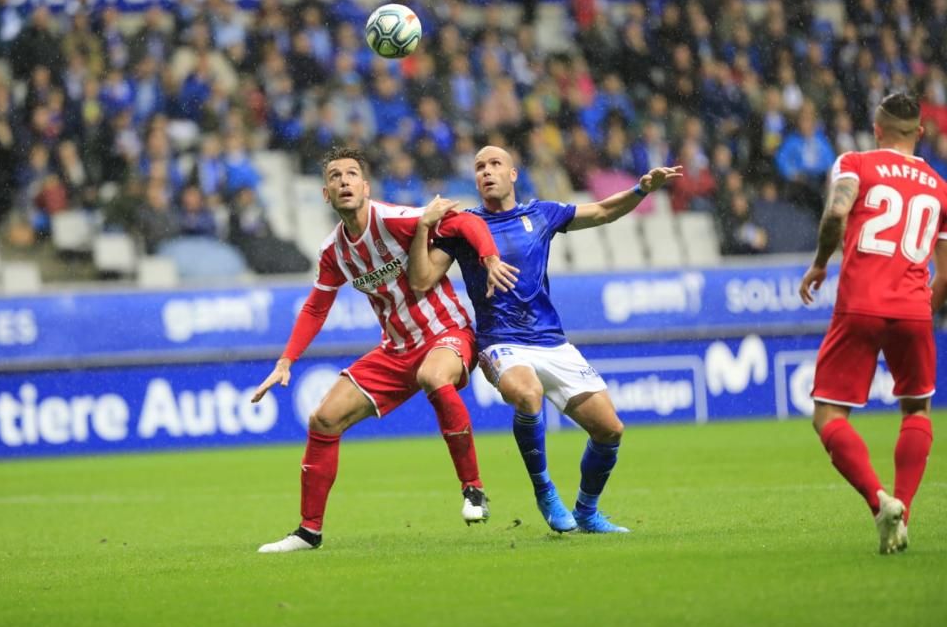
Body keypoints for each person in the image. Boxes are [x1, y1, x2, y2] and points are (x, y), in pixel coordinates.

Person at [251, 147, 518, 553]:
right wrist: (286, 360)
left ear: (365, 186)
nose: (344, 181)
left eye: (352, 174)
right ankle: (308, 531)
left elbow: (464, 221)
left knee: (433, 376)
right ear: (326, 193)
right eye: (335, 176)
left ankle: (474, 489)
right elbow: (316, 306)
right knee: (323, 419)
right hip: (396, 350)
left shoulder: (397, 219)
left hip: (447, 331)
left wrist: (490, 256)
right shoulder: (333, 251)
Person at [408, 145, 680, 533]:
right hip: (500, 341)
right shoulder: (462, 226)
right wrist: (422, 227)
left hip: (552, 341)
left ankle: (586, 511)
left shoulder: (541, 214)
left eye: (495, 164)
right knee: (528, 393)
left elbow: (601, 211)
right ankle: (545, 491)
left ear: (513, 173)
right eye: (479, 167)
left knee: (609, 430)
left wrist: (641, 190)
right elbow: (420, 280)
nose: (486, 171)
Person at [798, 92, 945, 554]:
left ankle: (878, 501)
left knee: (828, 415)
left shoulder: (856, 162)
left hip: (859, 304)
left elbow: (836, 213)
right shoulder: (939, 186)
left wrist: (821, 262)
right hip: (913, 308)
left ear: (877, 128)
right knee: (916, 410)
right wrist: (925, 306)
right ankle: (903, 510)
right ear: (919, 133)